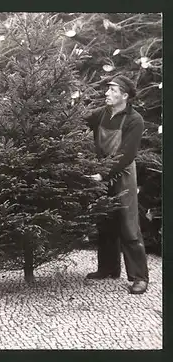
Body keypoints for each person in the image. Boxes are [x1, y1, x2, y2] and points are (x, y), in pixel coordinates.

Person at [83, 75, 149, 294]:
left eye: (112, 90)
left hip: (122, 174)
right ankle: (108, 268)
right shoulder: (101, 114)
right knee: (105, 220)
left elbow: (126, 154)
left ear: (125, 95)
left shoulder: (134, 119)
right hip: (101, 172)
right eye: (107, 90)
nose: (106, 94)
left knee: (128, 223)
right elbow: (76, 121)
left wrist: (102, 174)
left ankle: (139, 277)